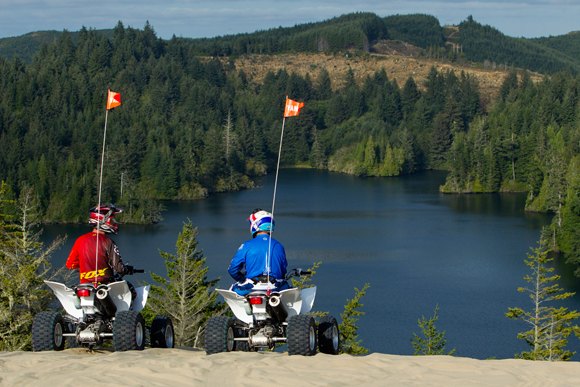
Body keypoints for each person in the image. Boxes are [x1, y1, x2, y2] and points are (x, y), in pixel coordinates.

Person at [66, 204, 134, 285]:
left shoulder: (80, 240)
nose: (115, 224)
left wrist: (87, 270)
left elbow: (70, 264)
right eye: (112, 220)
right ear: (102, 221)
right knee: (131, 290)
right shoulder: (108, 242)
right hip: (105, 286)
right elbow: (119, 268)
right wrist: (126, 269)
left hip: (85, 285)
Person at [228, 209, 290, 295]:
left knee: (233, 290)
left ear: (255, 224)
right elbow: (283, 270)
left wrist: (242, 280)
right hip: (274, 288)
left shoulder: (246, 245)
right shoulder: (279, 245)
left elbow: (232, 269)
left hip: (252, 288)